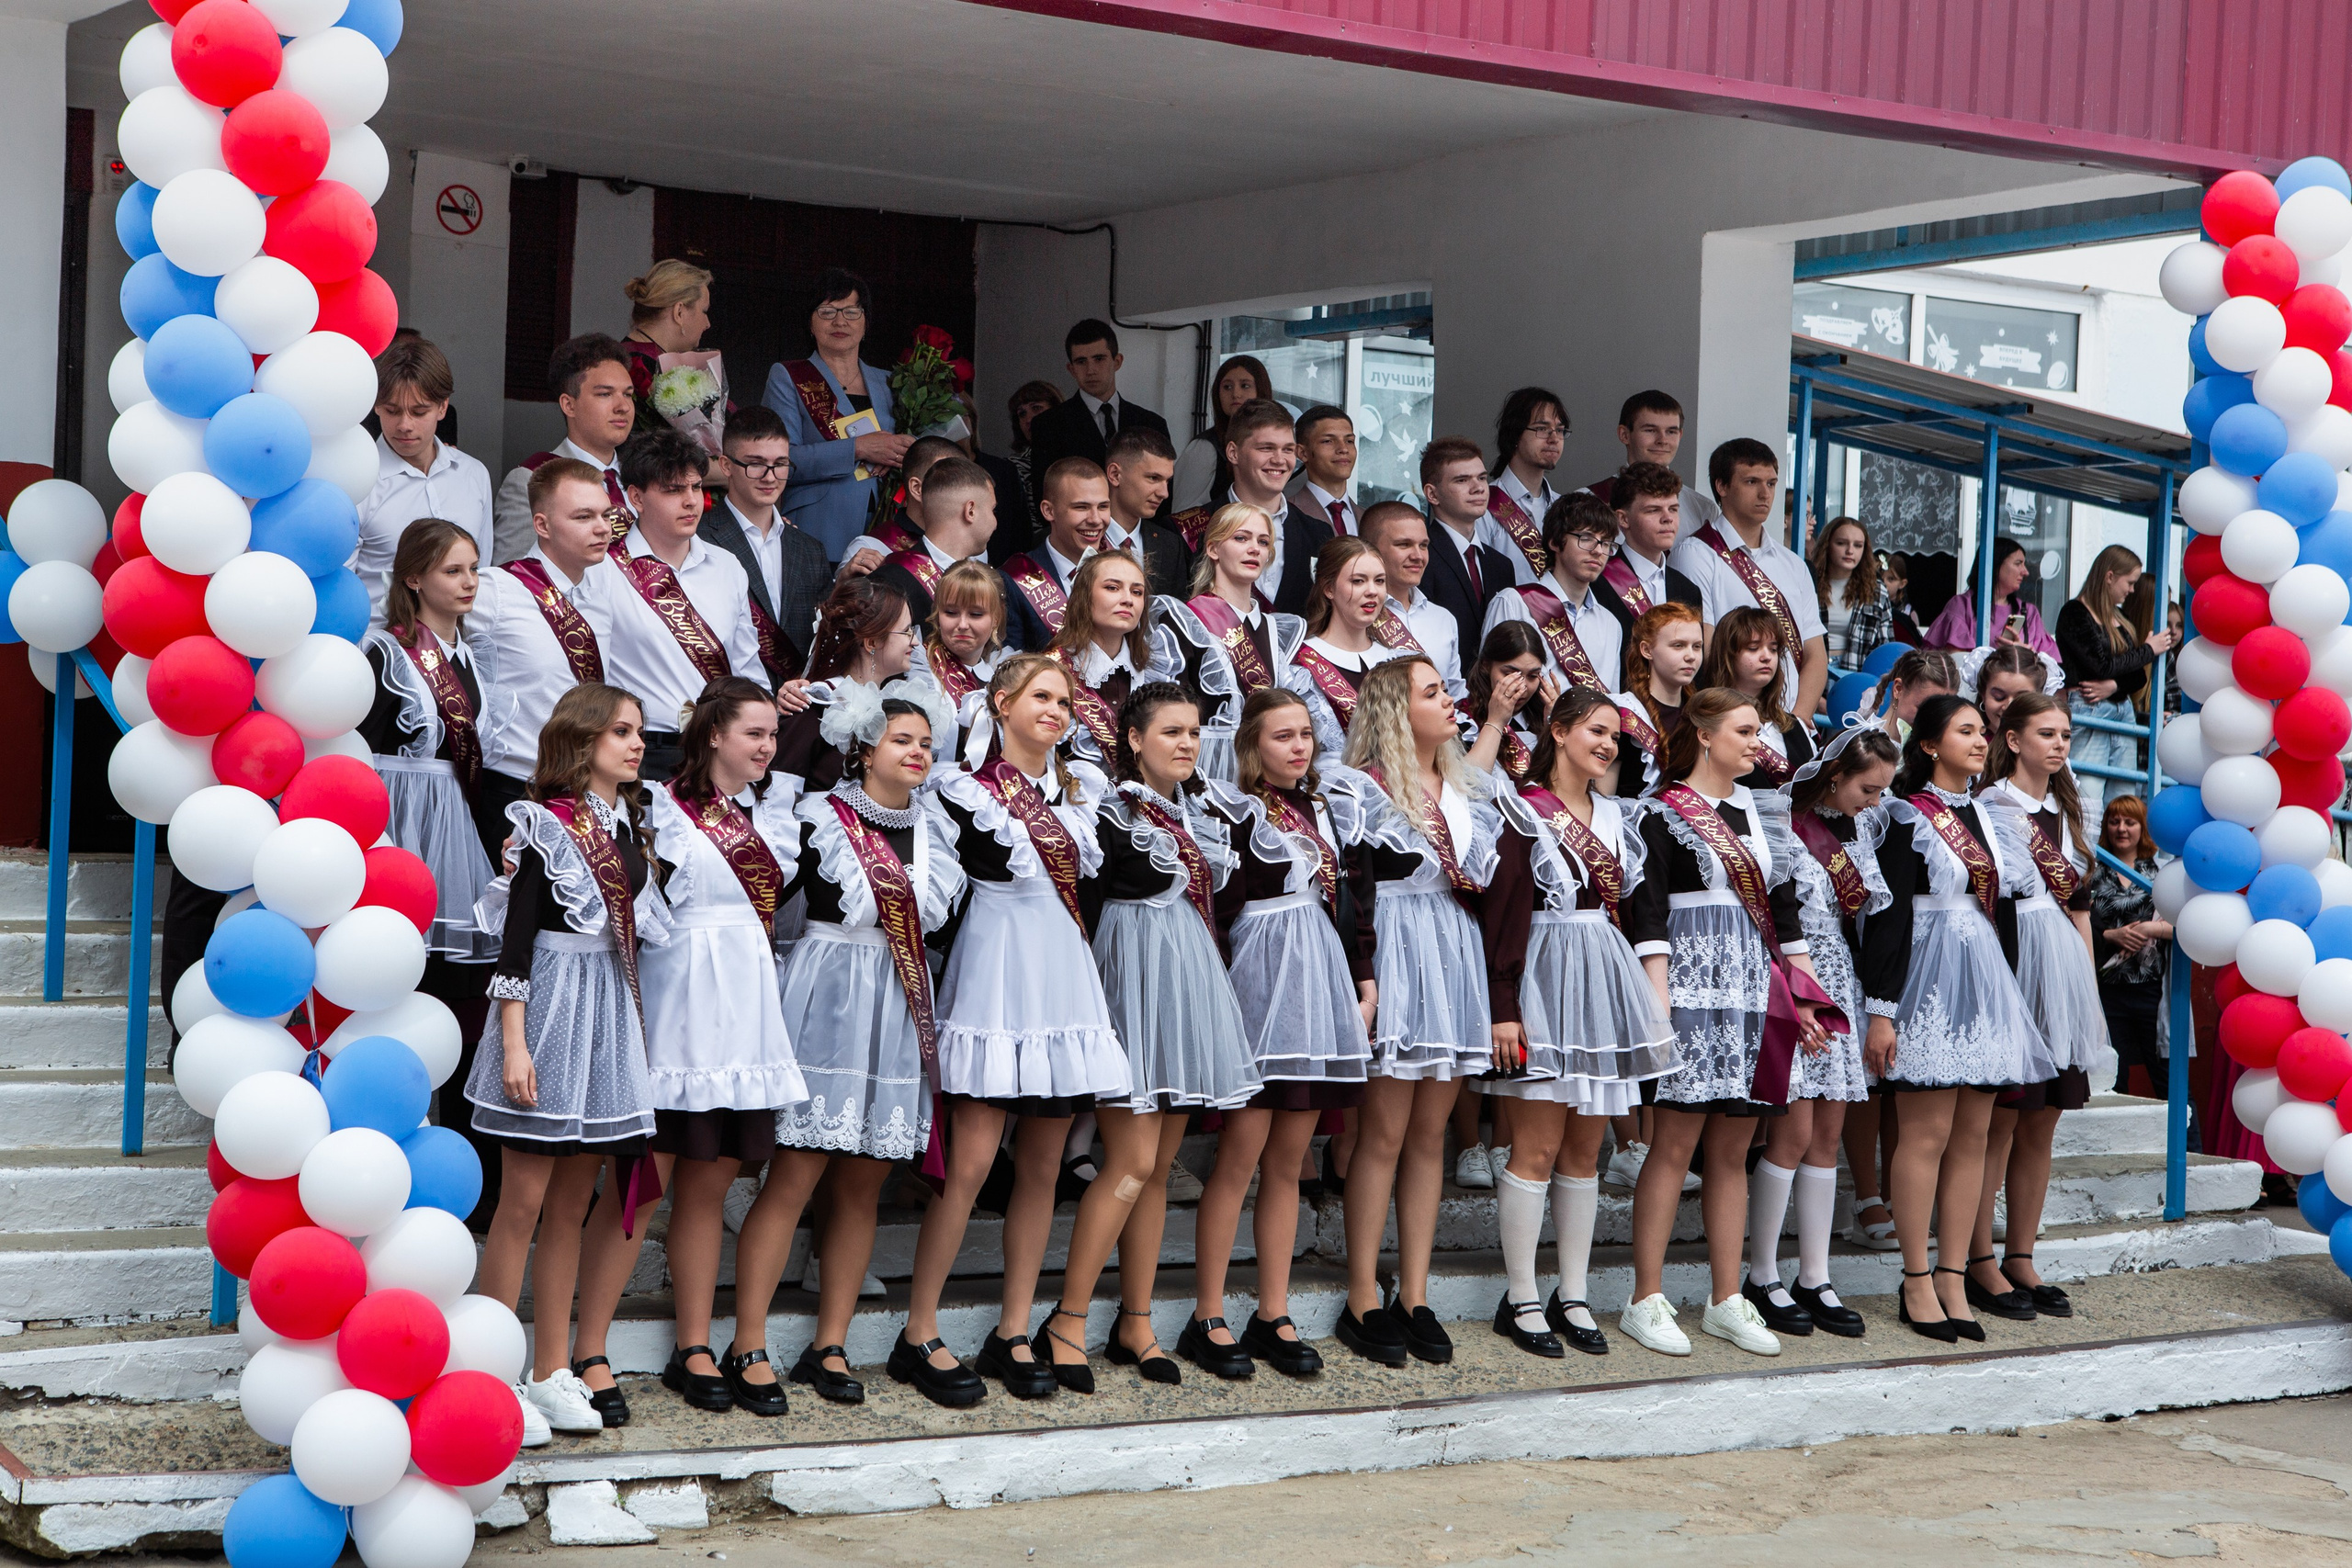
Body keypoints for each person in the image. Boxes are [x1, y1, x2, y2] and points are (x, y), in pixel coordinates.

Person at [896, 656, 1129, 1405]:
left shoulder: (1081, 793)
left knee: (1044, 1165)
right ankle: (919, 1330)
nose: (1056, 709)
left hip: (1060, 974)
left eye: (1065, 699)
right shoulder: (961, 789)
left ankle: (1014, 1326)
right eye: (1040, 696)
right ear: (1000, 702)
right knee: (968, 1165)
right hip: (995, 971)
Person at [580, 678, 808, 1418]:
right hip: (676, 1009)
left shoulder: (773, 812)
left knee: (710, 1186)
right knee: (641, 1185)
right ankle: (588, 1348)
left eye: (773, 735)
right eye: (754, 733)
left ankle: (696, 1344)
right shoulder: (656, 807)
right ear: (713, 734)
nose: (767, 747)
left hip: (741, 1014)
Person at [737, 678, 963, 1408]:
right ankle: (747, 1343)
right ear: (864, 749)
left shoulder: (937, 830)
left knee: (864, 1181)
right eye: (902, 739)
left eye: (926, 743)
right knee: (797, 1173)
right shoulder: (818, 818)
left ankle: (830, 1341)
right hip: (830, 994)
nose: (918, 752)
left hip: (898, 1001)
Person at [1042, 683, 1261, 1391]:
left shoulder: (1198, 813)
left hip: (1184, 977)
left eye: (1194, 731)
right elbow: (1089, 904)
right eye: (1170, 731)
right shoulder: (1107, 811)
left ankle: (1135, 1318)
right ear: (1133, 738)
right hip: (1128, 976)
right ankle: (1067, 1318)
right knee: (1130, 1159)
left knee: (1159, 1165)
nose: (1187, 743)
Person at [469, 682, 664, 1437]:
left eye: (639, 730)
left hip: (606, 1009)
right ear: (583, 741)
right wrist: (513, 1041)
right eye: (621, 731)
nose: (637, 743)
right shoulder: (545, 825)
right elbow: (516, 943)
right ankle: (491, 1368)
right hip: (547, 1007)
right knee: (520, 1201)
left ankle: (552, 1369)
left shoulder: (630, 827)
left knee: (572, 1205)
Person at [1616, 689, 1833, 1359]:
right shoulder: (1660, 813)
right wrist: (1660, 1004)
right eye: (1744, 730)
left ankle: (1723, 1299)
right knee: (1675, 1144)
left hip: (1753, 991)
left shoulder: (1764, 812)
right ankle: (1644, 1298)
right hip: (1690, 985)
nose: (1756, 743)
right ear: (1705, 735)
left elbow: (1785, 914)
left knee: (1734, 1149)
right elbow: (1647, 915)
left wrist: (1804, 997)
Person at [1480, 688, 1679, 1357]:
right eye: (1596, 731)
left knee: (1584, 1151)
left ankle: (1571, 1291)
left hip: (1599, 979)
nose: (1607, 745)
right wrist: (1503, 1004)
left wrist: (1653, 994)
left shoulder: (1619, 817)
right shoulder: (1522, 808)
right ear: (1558, 731)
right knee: (1534, 1146)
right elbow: (1503, 913)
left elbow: (1639, 908)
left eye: (1615, 737)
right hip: (1542, 974)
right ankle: (1522, 1296)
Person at [1190, 687, 1378, 1378]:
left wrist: (1365, 976)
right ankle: (1208, 1311)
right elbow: (1218, 911)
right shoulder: (1233, 813)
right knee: (1241, 1154)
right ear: (1251, 746)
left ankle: (1273, 1309)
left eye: (1304, 734)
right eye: (1281, 736)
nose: (1298, 746)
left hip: (1316, 986)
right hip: (1258, 986)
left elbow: (1355, 900)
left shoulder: (1328, 807)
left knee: (1289, 1160)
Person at [1860, 694, 2051, 1343]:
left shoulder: (1989, 815)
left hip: (1985, 981)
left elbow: (2003, 914)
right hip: (1925, 980)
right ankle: (1915, 1276)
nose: (1980, 738)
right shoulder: (1905, 815)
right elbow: (1887, 918)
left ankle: (1951, 1272)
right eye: (1965, 730)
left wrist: (2013, 999)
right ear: (1929, 745)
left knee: (1973, 1132)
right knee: (1924, 1132)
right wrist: (1881, 1012)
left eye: (1983, 730)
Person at [1331, 658, 1500, 1368]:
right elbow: (1354, 893)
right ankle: (1362, 1292)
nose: (1450, 702)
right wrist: (1365, 974)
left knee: (1431, 1132)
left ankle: (1416, 1291)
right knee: (1385, 1131)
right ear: (1398, 710)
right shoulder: (1362, 789)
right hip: (1397, 949)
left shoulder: (1464, 787)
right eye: (1433, 692)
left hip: (1451, 949)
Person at [360, 519, 503, 1224]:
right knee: (400, 983)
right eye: (453, 570)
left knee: (456, 995)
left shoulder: (471, 657)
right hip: (403, 819)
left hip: (453, 823)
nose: (469, 582)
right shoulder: (385, 651)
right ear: (414, 578)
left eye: (474, 568)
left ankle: (458, 1159)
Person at [1751, 724, 1900, 1340]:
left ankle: (1815, 1274)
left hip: (1841, 979)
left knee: (1830, 1130)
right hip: (1794, 977)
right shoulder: (1783, 824)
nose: (1876, 800)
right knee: (1794, 1129)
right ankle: (1762, 1272)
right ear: (1834, 776)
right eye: (1868, 788)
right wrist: (1794, 989)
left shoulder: (1861, 828)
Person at [1972, 693, 2111, 1323]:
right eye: (2046, 733)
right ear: (2014, 739)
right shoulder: (1994, 804)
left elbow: (2079, 904)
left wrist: (2085, 985)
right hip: (2015, 958)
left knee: (2045, 1118)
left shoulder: (2065, 805)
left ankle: (2021, 1252)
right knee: (1999, 1123)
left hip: (2060, 967)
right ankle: (1978, 1258)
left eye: (2066, 734)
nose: (2059, 744)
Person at [462, 458, 617, 864]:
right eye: (584, 516)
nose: (602, 527)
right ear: (542, 525)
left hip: (581, 793)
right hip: (512, 790)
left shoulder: (599, 600)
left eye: (606, 514)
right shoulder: (495, 589)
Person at [595, 430, 769, 781]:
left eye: (696, 487)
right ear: (636, 498)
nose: (691, 501)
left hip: (718, 750)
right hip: (642, 752)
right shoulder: (603, 569)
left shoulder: (727, 566)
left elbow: (747, 667)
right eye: (674, 490)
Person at [1671, 438, 1830, 721]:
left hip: (1791, 724)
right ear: (1722, 486)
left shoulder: (1793, 564)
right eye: (1751, 482)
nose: (1764, 494)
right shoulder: (1696, 554)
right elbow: (1703, 651)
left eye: (1771, 483)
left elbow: (1816, 655)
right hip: (1729, 722)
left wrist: (1796, 723)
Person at [763, 267, 914, 561]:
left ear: (866, 321)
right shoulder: (789, 376)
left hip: (887, 531)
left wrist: (900, 451)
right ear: (810, 322)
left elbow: (919, 446)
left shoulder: (891, 382)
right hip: (817, 526)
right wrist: (859, 448)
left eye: (852, 311)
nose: (840, 320)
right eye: (827, 311)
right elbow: (780, 460)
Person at [1154, 502, 1308, 784]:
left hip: (1269, 776)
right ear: (1213, 549)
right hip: (1207, 776)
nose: (1254, 549)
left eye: (1263, 542)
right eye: (1241, 538)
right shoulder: (1186, 620)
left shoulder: (1278, 629)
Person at [358, 335, 494, 621]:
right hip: (379, 648)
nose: (405, 425)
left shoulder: (473, 474)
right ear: (376, 406)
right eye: (392, 411)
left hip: (457, 647)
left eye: (419, 412)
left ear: (443, 408)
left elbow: (483, 572)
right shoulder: (359, 481)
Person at [696, 404, 832, 686]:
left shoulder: (810, 550)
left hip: (799, 710)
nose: (770, 477)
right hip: (726, 703)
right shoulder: (698, 539)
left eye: (780, 464)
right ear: (726, 466)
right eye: (756, 464)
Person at [1173, 400, 1329, 615]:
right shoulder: (1188, 531)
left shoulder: (1318, 533)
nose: (1279, 460)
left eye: (1288, 450)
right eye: (1267, 448)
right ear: (1233, 453)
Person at [493, 334, 638, 564]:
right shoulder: (532, 479)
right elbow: (515, 575)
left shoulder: (643, 476)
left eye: (628, 394)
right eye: (605, 394)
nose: (623, 407)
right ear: (569, 405)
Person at [2055, 545, 2174, 817]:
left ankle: (2109, 860)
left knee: (2123, 797)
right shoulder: (2074, 613)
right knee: (2088, 797)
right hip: (2089, 709)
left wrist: (2113, 685)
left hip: (2122, 709)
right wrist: (2146, 650)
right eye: (2129, 582)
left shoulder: (2120, 616)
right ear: (2109, 576)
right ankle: (2085, 858)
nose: (2131, 590)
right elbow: (2100, 665)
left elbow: (2136, 676)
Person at [778, 577, 916, 804]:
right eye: (906, 632)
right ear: (871, 643)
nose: (915, 642)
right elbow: (776, 803)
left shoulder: (898, 703)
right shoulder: (813, 705)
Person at [2091, 796, 2184, 1119]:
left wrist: (2150, 929)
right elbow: (2075, 920)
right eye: (2114, 821)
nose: (2121, 829)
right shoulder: (2093, 872)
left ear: (2142, 828)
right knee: (2113, 1077)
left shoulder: (2161, 874)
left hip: (2151, 992)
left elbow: (2187, 926)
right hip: (2107, 990)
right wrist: (2109, 935)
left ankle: (2189, 1150)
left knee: (2166, 1076)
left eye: (2129, 822)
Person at [1480, 493, 1625, 697]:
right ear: (1555, 542)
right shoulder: (1514, 602)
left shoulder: (1610, 624)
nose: (1598, 551)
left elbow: (1611, 701)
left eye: (1606, 543)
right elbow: (1487, 685)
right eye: (1586, 539)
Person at [1295, 536, 1414, 761]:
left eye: (1379, 581)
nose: (1372, 591)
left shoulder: (1401, 659)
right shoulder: (1300, 666)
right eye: (1358, 581)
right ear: (1329, 588)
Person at [1046, 549, 1168, 769]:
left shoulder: (1153, 674)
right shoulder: (1050, 672)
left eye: (1137, 592)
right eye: (1112, 588)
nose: (1128, 600)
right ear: (1083, 597)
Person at [1025, 319, 1174, 484]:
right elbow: (1047, 493)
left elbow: (1164, 491)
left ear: (1117, 362)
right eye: (1081, 362)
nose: (1090, 370)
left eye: (1099, 359)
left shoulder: (1152, 424)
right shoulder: (1049, 425)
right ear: (1071, 369)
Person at [868, 455, 999, 627]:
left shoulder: (986, 578)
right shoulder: (892, 582)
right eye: (992, 509)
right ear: (971, 511)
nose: (995, 523)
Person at [1003, 457, 1115, 650]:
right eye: (1081, 507)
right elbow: (1009, 669)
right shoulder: (1013, 580)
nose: (1096, 519)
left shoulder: (1122, 571)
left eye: (1103, 507)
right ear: (1048, 511)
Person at [1696, 606, 1815, 789]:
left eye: (1774, 649)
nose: (1767, 657)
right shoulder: (1708, 721)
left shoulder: (1794, 725)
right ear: (1728, 655)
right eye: (1753, 648)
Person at [1418, 436, 1514, 659]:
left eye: (1482, 477)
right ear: (1432, 494)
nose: (1478, 488)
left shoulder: (1501, 565)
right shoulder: (1420, 556)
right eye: (1462, 480)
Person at [1582, 391, 1723, 537]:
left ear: (1680, 435)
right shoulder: (1587, 500)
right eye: (1650, 430)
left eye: (1671, 432)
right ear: (1624, 434)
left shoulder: (1703, 510)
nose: (1662, 440)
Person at [1362, 501, 1464, 696]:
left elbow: (1456, 697)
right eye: (1404, 544)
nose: (1418, 556)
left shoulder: (1443, 619)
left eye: (1423, 545)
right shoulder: (1356, 615)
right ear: (1371, 549)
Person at [1609, 603, 1705, 799]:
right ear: (1647, 650)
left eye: (1697, 647)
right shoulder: (1621, 712)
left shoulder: (1703, 713)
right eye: (1678, 645)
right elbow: (1603, 796)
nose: (1691, 656)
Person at [835, 434, 967, 578]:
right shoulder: (871, 548)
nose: (963, 492)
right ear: (917, 488)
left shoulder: (971, 546)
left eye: (965, 483)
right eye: (949, 481)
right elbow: (844, 599)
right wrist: (844, 580)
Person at [619, 259, 718, 450]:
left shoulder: (621, 357)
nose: (708, 324)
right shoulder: (641, 368)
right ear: (679, 312)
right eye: (704, 311)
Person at [1596, 463, 1707, 625]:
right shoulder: (1598, 581)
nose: (1667, 518)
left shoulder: (1688, 590)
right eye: (1653, 510)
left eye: (1673, 509)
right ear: (1623, 519)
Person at [1484, 387, 1570, 586]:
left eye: (1559, 430)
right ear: (1514, 435)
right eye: (1542, 429)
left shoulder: (1564, 507)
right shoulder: (1485, 504)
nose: (1554, 438)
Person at [1927, 536, 2063, 663]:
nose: (2025, 571)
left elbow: (2051, 669)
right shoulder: (1962, 605)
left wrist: (2022, 653)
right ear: (1994, 564)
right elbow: (1956, 662)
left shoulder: (2029, 613)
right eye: (2018, 563)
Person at [1103, 426, 1195, 602]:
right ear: (1115, 474)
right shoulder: (1079, 536)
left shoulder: (1170, 545)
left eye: (1167, 481)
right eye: (1153, 478)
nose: (1164, 493)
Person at [1172, 354, 1273, 513]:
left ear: (1261, 390)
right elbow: (1185, 517)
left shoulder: (1274, 443)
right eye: (1227, 387)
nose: (1236, 394)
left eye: (1245, 386)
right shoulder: (1204, 447)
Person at [1459, 621, 1550, 786]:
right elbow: (1469, 786)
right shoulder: (1463, 720)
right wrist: (1496, 722)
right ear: (1486, 666)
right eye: (1510, 674)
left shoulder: (1542, 715)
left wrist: (1556, 728)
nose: (1522, 687)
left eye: (1532, 676)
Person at [926, 558, 1012, 729]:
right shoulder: (920, 671)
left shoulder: (1006, 676)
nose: (963, 625)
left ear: (996, 618)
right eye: (951, 613)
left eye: (976, 614)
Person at [1806, 516, 1896, 664]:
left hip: (1855, 672)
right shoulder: (1808, 581)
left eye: (1858, 545)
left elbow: (1885, 645)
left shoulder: (1876, 590)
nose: (1850, 551)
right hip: (1814, 667)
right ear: (1827, 545)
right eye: (1841, 543)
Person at [1290, 405, 1360, 536]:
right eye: (1328, 441)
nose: (1343, 449)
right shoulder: (1285, 513)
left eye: (1349, 441)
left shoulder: (1367, 519)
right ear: (1302, 453)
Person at [1006, 378, 1064, 529]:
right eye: (1022, 414)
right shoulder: (1013, 467)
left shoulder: (1078, 456)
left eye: (1036, 408)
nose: (1029, 419)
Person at [1973, 644, 2053, 736]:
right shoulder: (1969, 746)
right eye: (1999, 696)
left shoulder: (2048, 745)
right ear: (1983, 694)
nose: (2008, 706)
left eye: (2022, 699)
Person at [1882, 551, 1928, 647]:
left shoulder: (1908, 613)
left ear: (1902, 584)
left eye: (1891, 579)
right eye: (1880, 579)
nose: (1884, 583)